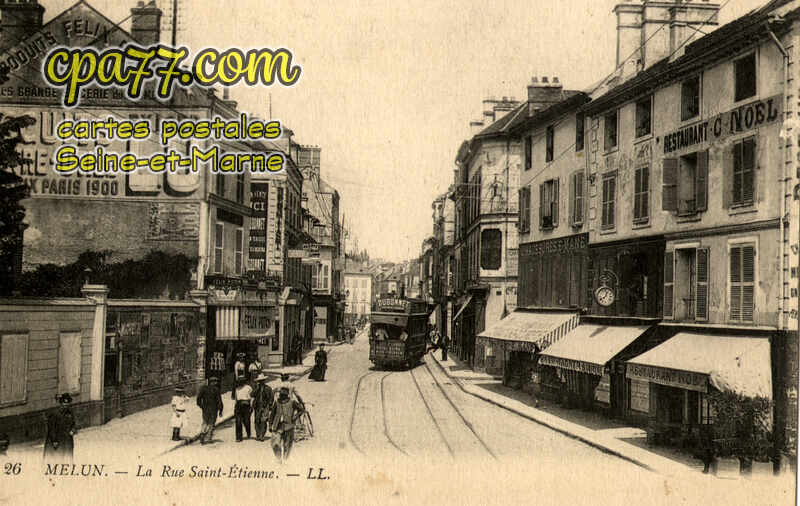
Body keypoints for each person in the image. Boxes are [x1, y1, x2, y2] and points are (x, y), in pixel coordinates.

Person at [269, 386, 303, 462]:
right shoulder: (277, 402)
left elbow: (301, 410)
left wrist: (295, 417)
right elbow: (272, 414)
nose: (281, 397)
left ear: (287, 395)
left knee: (287, 445)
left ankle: (285, 460)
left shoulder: (292, 402)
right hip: (277, 426)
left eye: (283, 395)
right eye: (280, 395)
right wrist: (270, 425)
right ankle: (278, 458)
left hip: (289, 426)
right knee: (275, 443)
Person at [44, 393, 76, 463]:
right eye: (64, 404)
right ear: (61, 404)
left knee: (68, 457)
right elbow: (51, 428)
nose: (65, 406)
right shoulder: (55, 414)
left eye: (67, 405)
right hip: (58, 439)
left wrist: (73, 430)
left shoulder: (70, 413)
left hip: (67, 440)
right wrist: (54, 440)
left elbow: (73, 424)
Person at [196, 377, 224, 445]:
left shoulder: (204, 388)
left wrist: (201, 406)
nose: (216, 383)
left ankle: (202, 433)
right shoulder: (216, 389)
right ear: (212, 382)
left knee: (205, 422)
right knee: (211, 423)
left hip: (205, 409)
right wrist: (220, 410)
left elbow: (198, 398)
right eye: (215, 381)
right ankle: (208, 438)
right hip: (214, 409)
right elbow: (219, 401)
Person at [252, 374, 274, 441]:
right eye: (260, 381)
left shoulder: (268, 388)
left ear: (264, 381)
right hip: (257, 406)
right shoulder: (256, 388)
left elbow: (271, 397)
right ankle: (258, 434)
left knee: (263, 421)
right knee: (257, 420)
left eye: (262, 381)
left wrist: (270, 405)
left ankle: (262, 435)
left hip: (265, 406)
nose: (261, 382)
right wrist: (256, 388)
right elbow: (252, 394)